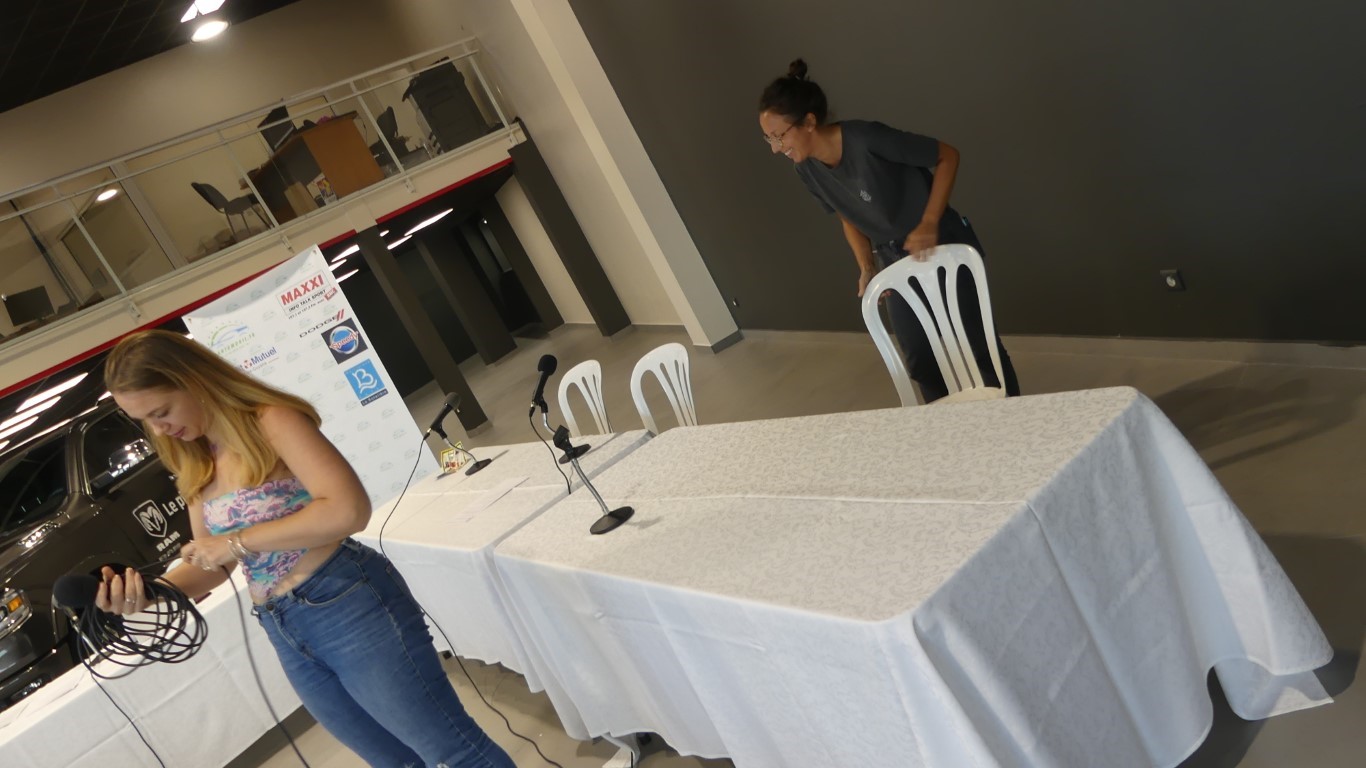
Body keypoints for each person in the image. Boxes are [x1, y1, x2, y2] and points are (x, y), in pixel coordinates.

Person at [96, 329, 515, 768]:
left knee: (453, 752)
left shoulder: (272, 420)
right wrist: (148, 592)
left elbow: (348, 510)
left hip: (344, 601)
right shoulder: (197, 460)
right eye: (145, 421)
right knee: (394, 762)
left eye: (161, 411)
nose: (159, 429)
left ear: (193, 378)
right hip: (281, 625)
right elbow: (211, 564)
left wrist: (237, 542)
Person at [758, 59, 1020, 402]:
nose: (775, 147)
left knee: (979, 348)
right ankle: (947, 426)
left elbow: (948, 156)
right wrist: (867, 267)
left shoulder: (866, 138)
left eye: (779, 136)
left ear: (808, 122)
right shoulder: (806, 169)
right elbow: (847, 215)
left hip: (944, 243)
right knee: (922, 362)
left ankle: (1014, 418)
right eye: (768, 138)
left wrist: (928, 222)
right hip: (895, 258)